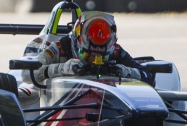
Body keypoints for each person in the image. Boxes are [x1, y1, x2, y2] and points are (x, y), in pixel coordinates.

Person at [23, 11, 151, 86]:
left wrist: (124, 71)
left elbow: (148, 77)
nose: (95, 61)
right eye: (88, 55)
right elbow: (26, 74)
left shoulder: (117, 51)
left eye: (102, 57)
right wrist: (63, 68)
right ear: (76, 42)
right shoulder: (60, 48)